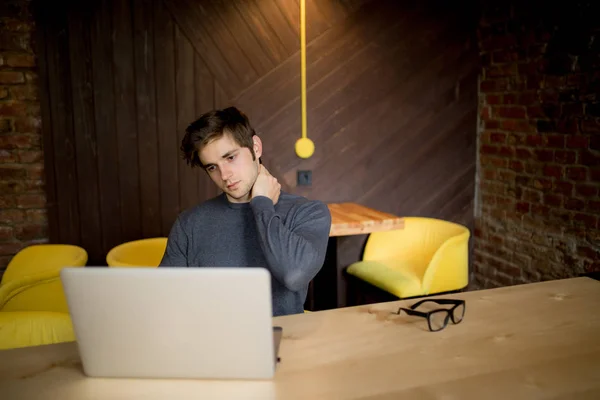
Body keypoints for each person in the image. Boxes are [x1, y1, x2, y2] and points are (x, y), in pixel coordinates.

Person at [159, 106, 332, 316]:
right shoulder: (189, 223)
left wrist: (261, 203)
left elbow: (294, 275)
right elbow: (165, 301)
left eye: (230, 157)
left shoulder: (308, 213)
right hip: (211, 342)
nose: (224, 175)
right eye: (212, 167)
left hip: (279, 343)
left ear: (255, 147)